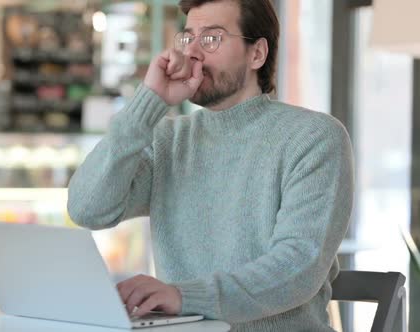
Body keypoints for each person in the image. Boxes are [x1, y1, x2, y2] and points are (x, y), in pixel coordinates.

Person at [67, 0, 354, 330]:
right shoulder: (168, 140)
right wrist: (148, 103)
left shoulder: (315, 137)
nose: (193, 54)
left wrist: (183, 296)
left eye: (212, 39)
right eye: (188, 38)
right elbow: (87, 209)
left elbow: (297, 268)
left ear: (257, 54)